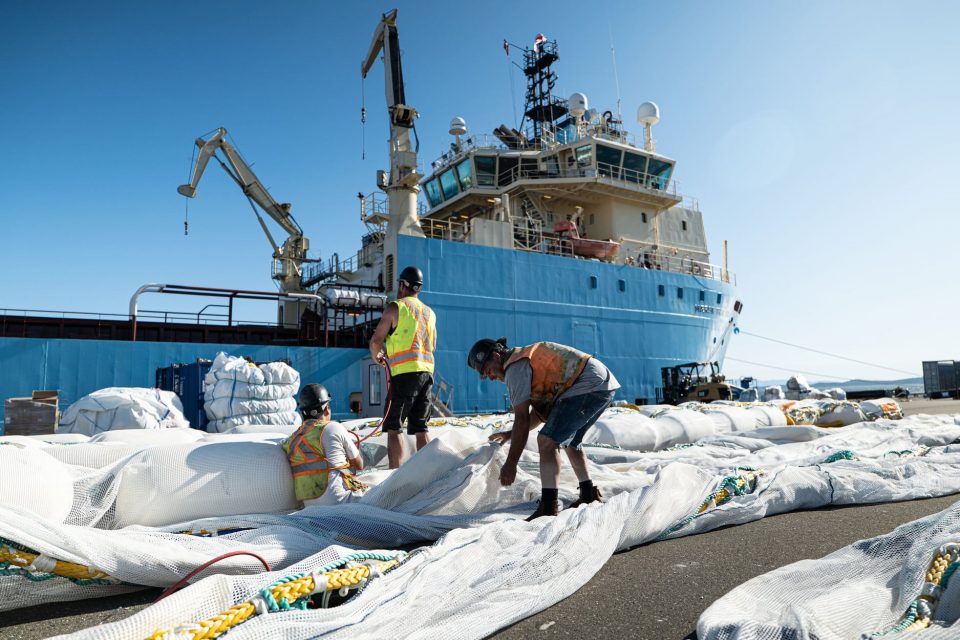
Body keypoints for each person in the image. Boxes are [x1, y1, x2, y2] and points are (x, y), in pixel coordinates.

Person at [467, 338, 620, 520]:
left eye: (488, 370)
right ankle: (588, 494)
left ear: (496, 355)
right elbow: (538, 415)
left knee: (546, 441)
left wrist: (511, 464)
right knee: (570, 443)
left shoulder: (514, 368)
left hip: (588, 384)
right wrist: (510, 434)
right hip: (601, 383)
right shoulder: (522, 360)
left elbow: (522, 420)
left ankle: (548, 507)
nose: (490, 377)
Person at [369, 265, 437, 469]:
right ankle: (427, 474)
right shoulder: (429, 313)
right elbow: (432, 344)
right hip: (427, 373)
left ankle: (394, 478)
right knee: (420, 426)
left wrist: (376, 356)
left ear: (402, 285)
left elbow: (376, 341)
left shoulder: (396, 307)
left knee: (393, 425)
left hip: (404, 375)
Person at [282, 383, 367, 505]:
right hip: (341, 502)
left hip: (310, 508)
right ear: (326, 409)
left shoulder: (292, 440)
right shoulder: (334, 427)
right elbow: (359, 465)